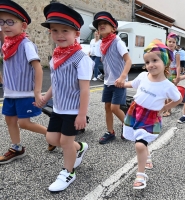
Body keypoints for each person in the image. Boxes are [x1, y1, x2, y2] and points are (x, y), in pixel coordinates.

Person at [39, 2, 93, 191]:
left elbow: (85, 90)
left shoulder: (81, 59)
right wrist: (46, 98)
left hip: (73, 110)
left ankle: (68, 172)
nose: (59, 35)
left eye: (65, 31)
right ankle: (80, 148)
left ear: (76, 34)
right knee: (52, 139)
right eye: (54, 30)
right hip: (59, 107)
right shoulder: (56, 56)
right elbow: (56, 82)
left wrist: (81, 115)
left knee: (65, 142)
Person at [0, 0, 56, 165]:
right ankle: (17, 148)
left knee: (24, 123)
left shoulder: (26, 44)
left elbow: (38, 69)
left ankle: (51, 135)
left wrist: (37, 92)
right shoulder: (6, 45)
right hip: (10, 92)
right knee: (9, 120)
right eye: (2, 22)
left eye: (11, 21)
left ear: (23, 26)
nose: (5, 25)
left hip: (25, 92)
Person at [122, 39, 182, 189]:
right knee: (139, 140)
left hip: (150, 117)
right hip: (135, 112)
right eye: (147, 62)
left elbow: (178, 99)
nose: (150, 65)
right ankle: (147, 157)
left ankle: (140, 176)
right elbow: (132, 84)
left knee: (140, 145)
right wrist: (121, 83)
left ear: (165, 62)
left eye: (155, 60)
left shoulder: (167, 85)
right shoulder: (143, 76)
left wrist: (164, 108)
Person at [93, 12, 132, 144]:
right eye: (99, 24)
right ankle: (110, 132)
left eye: (105, 23)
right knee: (107, 108)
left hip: (119, 82)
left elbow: (128, 61)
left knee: (115, 108)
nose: (101, 25)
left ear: (113, 28)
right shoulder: (102, 44)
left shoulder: (117, 42)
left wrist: (122, 77)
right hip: (108, 81)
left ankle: (129, 126)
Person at [163, 32, 180, 117]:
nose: (171, 43)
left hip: (172, 74)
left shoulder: (177, 54)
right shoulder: (164, 52)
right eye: (170, 41)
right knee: (163, 92)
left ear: (176, 44)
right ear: (166, 42)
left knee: (169, 92)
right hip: (164, 72)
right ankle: (165, 108)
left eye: (173, 42)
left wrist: (178, 77)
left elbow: (178, 65)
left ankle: (168, 110)